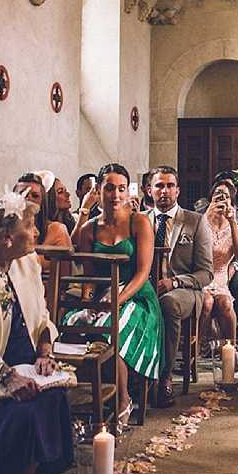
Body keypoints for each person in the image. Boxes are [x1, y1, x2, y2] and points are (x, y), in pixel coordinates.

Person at [0, 190, 73, 474]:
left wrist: (45, 347)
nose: (37, 233)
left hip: (25, 363)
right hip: (1, 372)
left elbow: (41, 315)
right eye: (30, 226)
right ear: (7, 237)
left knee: (52, 398)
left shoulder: (26, 263)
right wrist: (8, 377)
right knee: (26, 415)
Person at [73, 163, 163, 425]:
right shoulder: (89, 229)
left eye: (121, 189)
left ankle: (123, 399)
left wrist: (118, 299)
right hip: (101, 295)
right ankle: (90, 397)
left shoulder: (139, 222)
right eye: (109, 188)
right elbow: (89, 277)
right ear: (98, 191)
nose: (115, 195)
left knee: (115, 325)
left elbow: (143, 272)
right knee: (75, 322)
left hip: (137, 296)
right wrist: (87, 302)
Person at [145, 166, 212, 408]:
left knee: (168, 304)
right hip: (147, 287)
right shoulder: (140, 221)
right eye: (159, 186)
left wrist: (174, 282)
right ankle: (135, 378)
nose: (165, 191)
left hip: (184, 291)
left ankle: (164, 378)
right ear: (149, 190)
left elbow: (206, 273)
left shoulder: (195, 221)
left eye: (170, 185)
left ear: (178, 190)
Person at [200, 182, 238, 345]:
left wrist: (232, 221)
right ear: (211, 199)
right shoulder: (200, 223)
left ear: (232, 203)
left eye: (226, 197)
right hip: (201, 277)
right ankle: (197, 350)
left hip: (220, 279)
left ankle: (230, 349)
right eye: (218, 195)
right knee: (207, 302)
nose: (222, 199)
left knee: (226, 303)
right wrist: (207, 214)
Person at [207, 171, 238, 323]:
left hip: (234, 264)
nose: (223, 198)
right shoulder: (203, 211)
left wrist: (234, 266)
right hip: (206, 265)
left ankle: (236, 321)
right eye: (219, 193)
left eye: (227, 193)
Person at [14, 172, 72, 273]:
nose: (28, 199)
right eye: (22, 194)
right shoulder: (4, 230)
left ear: (43, 201)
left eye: (35, 196)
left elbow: (64, 275)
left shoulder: (57, 230)